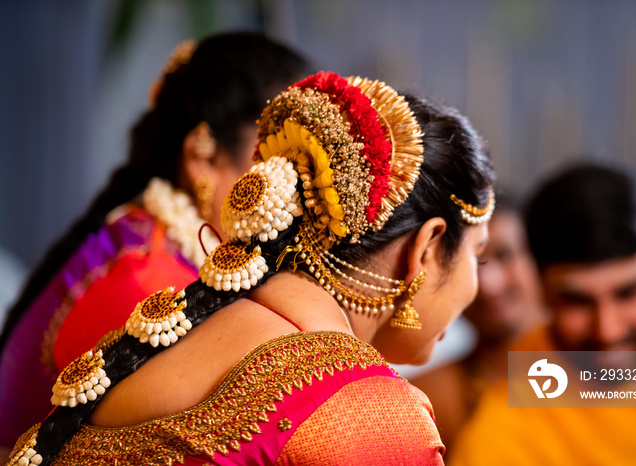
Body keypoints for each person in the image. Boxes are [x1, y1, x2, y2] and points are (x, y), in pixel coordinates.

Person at [5, 71, 494, 465]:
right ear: (426, 248)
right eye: (479, 254)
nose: (481, 282)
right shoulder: (364, 415)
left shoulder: (169, 331)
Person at [0, 32, 310, 448]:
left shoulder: (159, 248)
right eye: (282, 162)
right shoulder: (145, 281)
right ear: (202, 158)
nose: (301, 192)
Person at [450, 163, 636, 466]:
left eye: (629, 293)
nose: (607, 330)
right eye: (577, 301)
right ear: (541, 288)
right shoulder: (502, 439)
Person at [411, 193, 545, 456]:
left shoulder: (602, 367)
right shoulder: (425, 401)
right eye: (470, 263)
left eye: (505, 255)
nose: (488, 284)